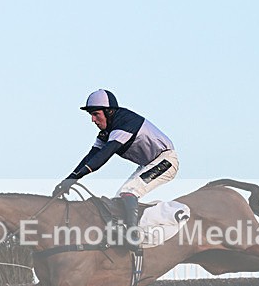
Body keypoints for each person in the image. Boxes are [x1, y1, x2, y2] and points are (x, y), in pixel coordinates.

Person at [53, 89, 179, 248]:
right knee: (120, 198)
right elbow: (91, 156)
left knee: (129, 191)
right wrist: (69, 179)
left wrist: (73, 179)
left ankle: (134, 236)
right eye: (91, 115)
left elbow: (103, 156)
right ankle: (126, 233)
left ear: (109, 112)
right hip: (149, 163)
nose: (93, 120)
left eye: (96, 114)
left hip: (166, 160)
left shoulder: (125, 122)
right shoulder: (107, 132)